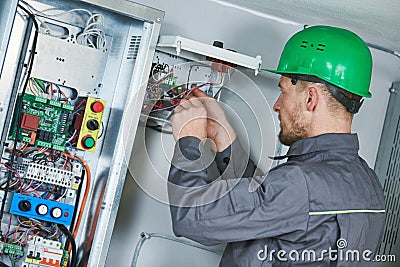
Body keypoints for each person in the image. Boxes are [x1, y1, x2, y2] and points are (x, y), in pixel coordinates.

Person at [167, 25, 385, 266]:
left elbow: (191, 218)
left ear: (310, 98)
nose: (277, 105)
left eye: (283, 92)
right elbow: (268, 210)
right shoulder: (368, 184)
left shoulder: (301, 183)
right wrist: (223, 138)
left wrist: (189, 142)